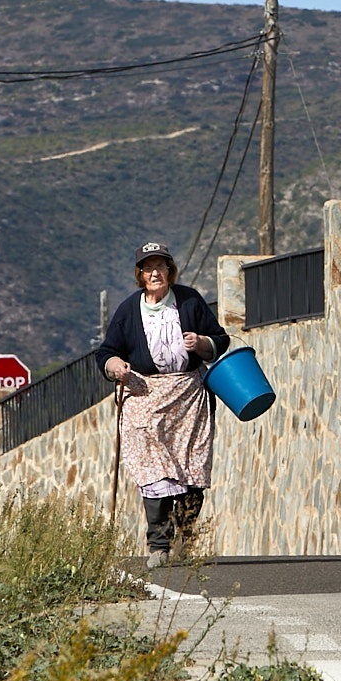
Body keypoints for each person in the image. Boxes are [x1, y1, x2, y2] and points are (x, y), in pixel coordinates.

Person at [97, 240, 228, 567]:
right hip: (145, 394)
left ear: (170, 270)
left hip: (187, 395)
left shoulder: (189, 300)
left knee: (192, 469)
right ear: (140, 275)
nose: (156, 273)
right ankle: (159, 544)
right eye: (148, 268)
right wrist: (115, 366)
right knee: (153, 470)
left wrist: (201, 343)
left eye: (161, 266)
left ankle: (185, 535)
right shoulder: (129, 309)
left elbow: (219, 340)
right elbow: (107, 351)